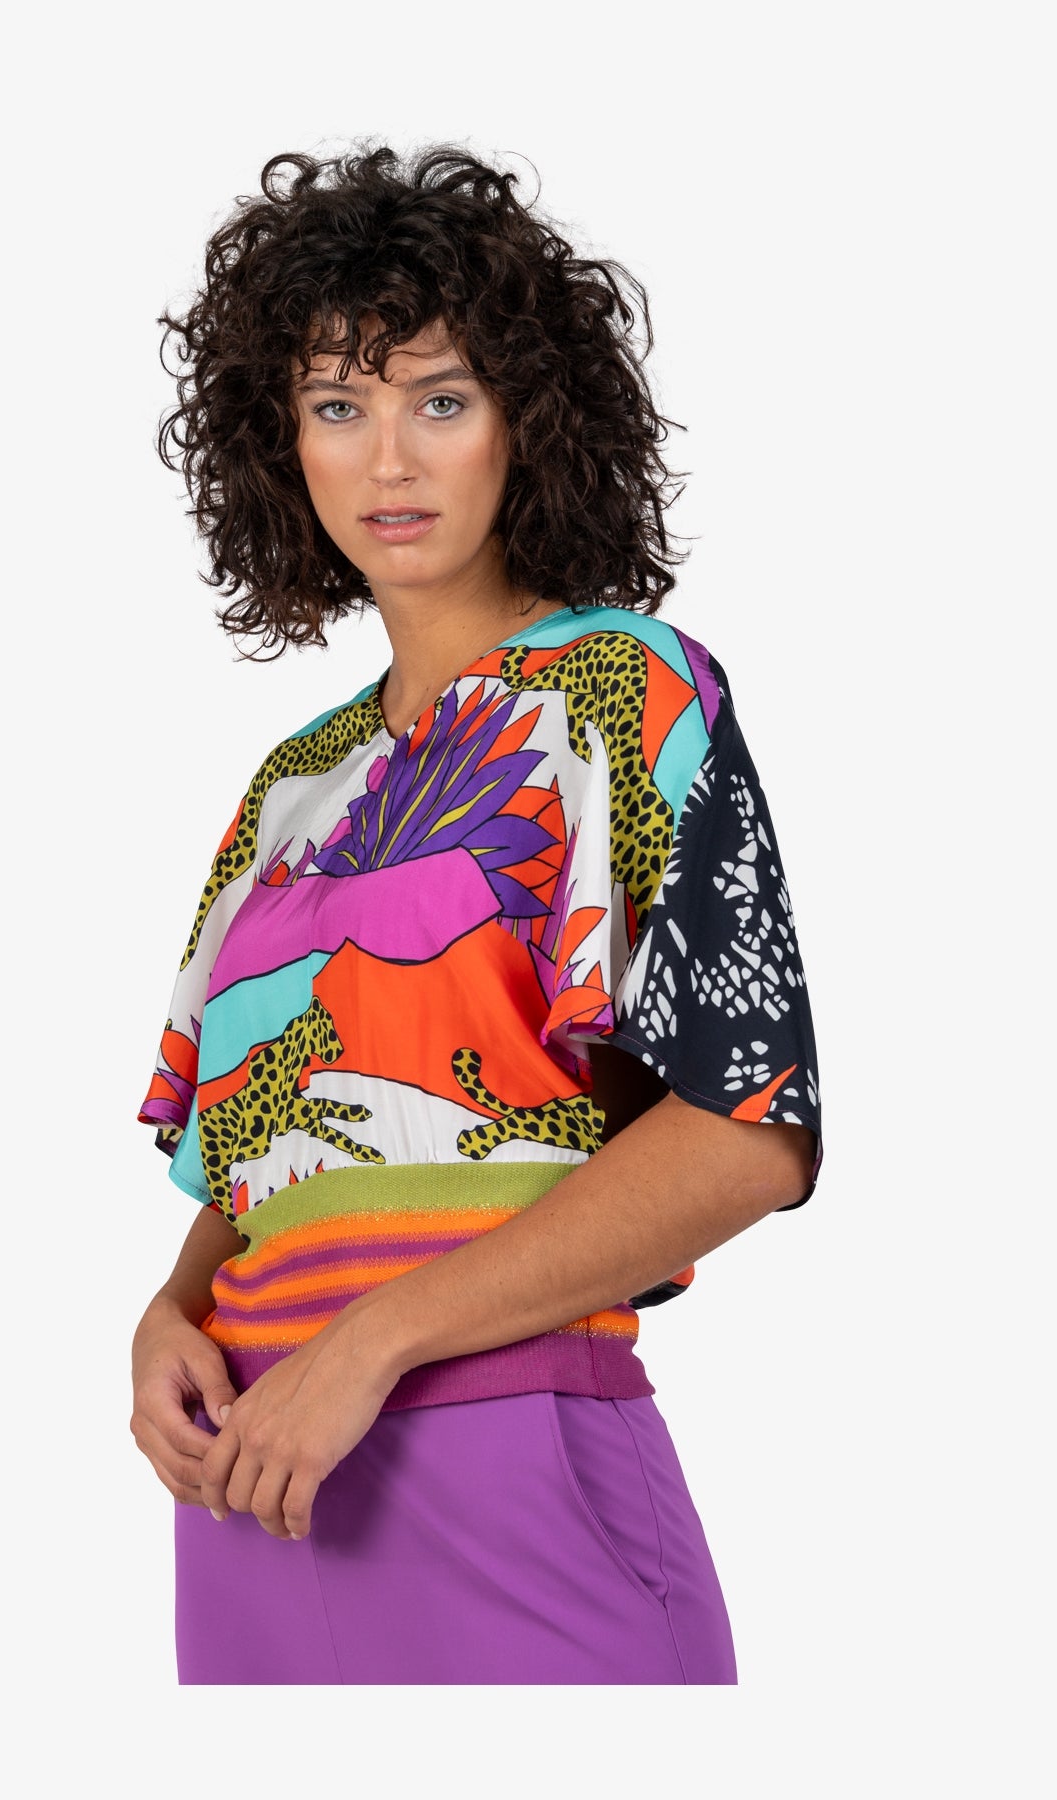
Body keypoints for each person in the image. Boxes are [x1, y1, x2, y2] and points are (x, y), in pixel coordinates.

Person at [131, 142, 823, 1686]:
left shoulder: (627, 694)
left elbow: (748, 1133)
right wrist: (168, 1315)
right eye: (337, 407)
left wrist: (371, 1343)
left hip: (509, 1463)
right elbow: (268, 1154)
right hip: (249, 1491)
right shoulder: (293, 787)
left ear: (528, 420)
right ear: (279, 446)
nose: (389, 460)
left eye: (440, 401)